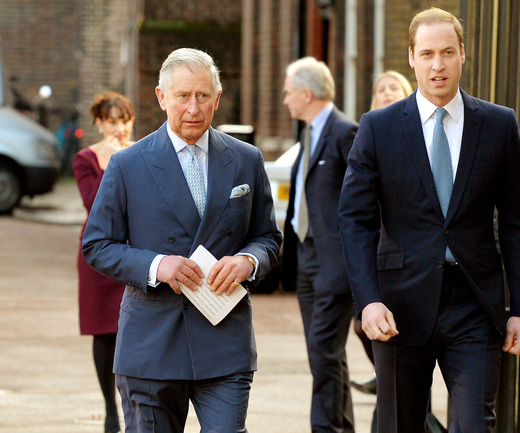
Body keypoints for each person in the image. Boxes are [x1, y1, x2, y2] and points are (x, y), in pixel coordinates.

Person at [339, 7, 520, 433]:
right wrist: (368, 300)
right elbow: (354, 220)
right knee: (399, 425)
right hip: (398, 307)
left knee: (474, 425)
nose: (437, 64)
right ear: (411, 57)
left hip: (475, 304)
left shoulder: (499, 124)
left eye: (447, 52)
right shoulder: (378, 127)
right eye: (427, 53)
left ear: (463, 54)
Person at [82, 48, 282, 432]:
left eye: (203, 96)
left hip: (225, 341)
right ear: (161, 97)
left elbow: (267, 237)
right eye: (183, 96)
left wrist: (249, 261)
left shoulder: (246, 159)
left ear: (217, 99)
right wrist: (157, 265)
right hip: (152, 345)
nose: (193, 107)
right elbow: (97, 244)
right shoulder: (128, 164)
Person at [280, 57, 358, 432]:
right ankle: (341, 427)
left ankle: (325, 429)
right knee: (325, 354)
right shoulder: (309, 132)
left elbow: (366, 201)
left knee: (324, 354)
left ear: (307, 94)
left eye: (289, 92)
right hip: (307, 258)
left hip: (334, 263)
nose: (285, 100)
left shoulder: (346, 132)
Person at [73, 92, 136, 433]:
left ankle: (134, 405)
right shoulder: (86, 159)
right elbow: (92, 203)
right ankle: (111, 410)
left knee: (135, 329)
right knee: (104, 333)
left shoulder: (143, 152)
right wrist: (111, 162)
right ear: (99, 123)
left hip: (137, 253)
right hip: (99, 257)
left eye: (124, 120)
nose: (119, 128)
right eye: (112, 121)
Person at [351, 70, 414, 396]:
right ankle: (383, 380)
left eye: (394, 87)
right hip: (373, 251)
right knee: (365, 327)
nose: (387, 92)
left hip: (408, 257)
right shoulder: (370, 132)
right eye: (381, 89)